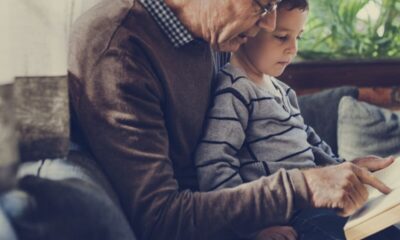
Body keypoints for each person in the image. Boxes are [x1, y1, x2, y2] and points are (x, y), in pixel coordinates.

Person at [68, 0, 393, 239]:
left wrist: (340, 168)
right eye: (262, 5)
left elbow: (272, 123)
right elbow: (159, 218)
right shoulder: (120, 51)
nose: (267, 25)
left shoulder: (215, 33)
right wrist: (302, 185)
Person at [194, 1, 398, 239]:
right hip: (287, 217)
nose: (293, 49)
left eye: (298, 37)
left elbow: (312, 144)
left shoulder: (282, 90)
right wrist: (251, 230)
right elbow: (214, 164)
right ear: (248, 30)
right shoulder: (234, 91)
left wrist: (349, 168)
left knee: (386, 230)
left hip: (318, 203)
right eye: (282, 37)